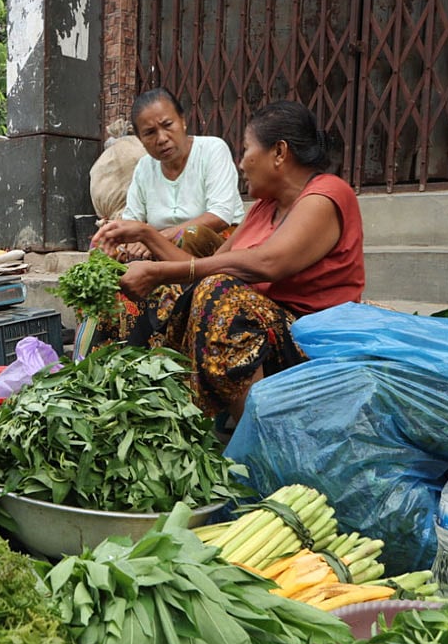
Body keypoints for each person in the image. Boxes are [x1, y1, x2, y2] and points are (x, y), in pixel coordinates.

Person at [93, 100, 365, 422]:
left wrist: (160, 270)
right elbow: (199, 271)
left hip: (313, 339)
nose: (241, 163)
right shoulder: (263, 208)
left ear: (279, 152)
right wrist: (145, 235)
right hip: (262, 331)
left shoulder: (327, 194)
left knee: (220, 294)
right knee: (150, 298)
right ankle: (122, 404)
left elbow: (267, 263)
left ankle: (253, 432)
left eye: (247, 150)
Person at [108, 87, 245, 260]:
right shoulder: (144, 167)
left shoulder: (213, 149)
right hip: (162, 245)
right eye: (150, 133)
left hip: (217, 244)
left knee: (191, 236)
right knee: (106, 247)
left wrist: (156, 238)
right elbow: (131, 220)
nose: (162, 138)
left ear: (183, 121)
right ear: (140, 139)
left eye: (167, 125)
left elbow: (220, 216)